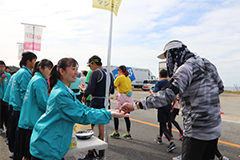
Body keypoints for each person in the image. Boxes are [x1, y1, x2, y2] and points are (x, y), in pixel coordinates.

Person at [120, 40, 224, 159]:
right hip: (214, 128)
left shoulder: (186, 68)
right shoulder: (209, 64)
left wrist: (135, 105)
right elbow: (220, 88)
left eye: (166, 58)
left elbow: (167, 95)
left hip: (196, 131)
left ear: (172, 55)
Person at [29, 58, 127, 160]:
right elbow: (82, 115)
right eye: (73, 69)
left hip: (50, 141)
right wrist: (108, 114)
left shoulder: (65, 90)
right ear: (62, 71)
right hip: (48, 144)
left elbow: (83, 108)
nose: (76, 73)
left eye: (77, 69)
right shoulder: (61, 94)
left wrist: (106, 112)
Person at [15, 59, 53, 160]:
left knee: (25, 154)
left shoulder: (34, 78)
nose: (50, 72)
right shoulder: (40, 80)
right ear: (41, 68)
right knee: (29, 154)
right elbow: (43, 103)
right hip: (31, 122)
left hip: (26, 121)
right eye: (49, 69)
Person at [82, 55, 114, 159]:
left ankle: (90, 153)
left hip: (96, 102)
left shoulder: (95, 72)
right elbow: (112, 90)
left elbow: (90, 88)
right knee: (103, 131)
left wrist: (84, 94)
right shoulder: (109, 73)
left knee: (89, 129)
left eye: (90, 65)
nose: (90, 68)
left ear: (94, 63)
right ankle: (102, 155)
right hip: (106, 102)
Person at [8, 51, 37, 158]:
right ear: (28, 61)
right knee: (19, 137)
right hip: (20, 108)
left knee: (15, 133)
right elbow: (25, 95)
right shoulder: (25, 74)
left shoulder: (18, 73)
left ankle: (14, 152)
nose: (35, 63)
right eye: (34, 61)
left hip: (14, 106)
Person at [149, 69, 177, 152]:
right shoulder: (170, 83)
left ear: (160, 76)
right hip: (168, 106)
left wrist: (151, 91)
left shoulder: (159, 83)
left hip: (161, 106)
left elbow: (155, 93)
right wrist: (172, 105)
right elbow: (174, 96)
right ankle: (160, 138)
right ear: (167, 75)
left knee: (163, 125)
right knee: (164, 123)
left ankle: (171, 142)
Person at [109, 65, 134, 140]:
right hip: (129, 97)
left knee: (116, 114)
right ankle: (128, 133)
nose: (117, 71)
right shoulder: (128, 78)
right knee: (126, 116)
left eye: (118, 70)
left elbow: (114, 85)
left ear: (120, 70)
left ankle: (116, 132)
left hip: (122, 97)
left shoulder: (119, 77)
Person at [0, 61, 11, 135]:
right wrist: (1, 79)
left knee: (7, 114)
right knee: (0, 114)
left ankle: (8, 128)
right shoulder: (3, 77)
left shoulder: (8, 75)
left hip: (7, 98)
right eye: (0, 67)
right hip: (0, 98)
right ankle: (1, 127)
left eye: (3, 67)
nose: (1, 68)